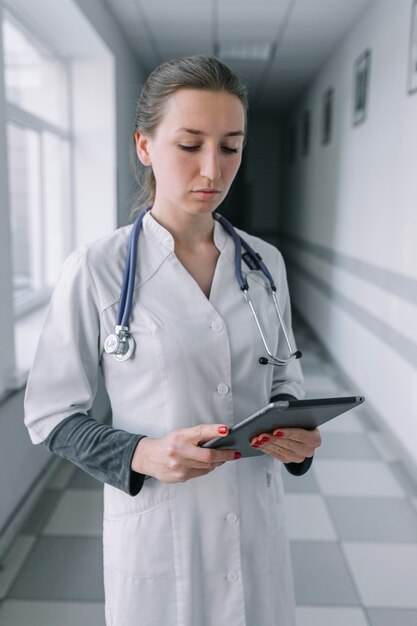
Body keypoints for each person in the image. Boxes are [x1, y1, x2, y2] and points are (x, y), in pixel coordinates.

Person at [24, 55, 321, 626]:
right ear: (144, 146)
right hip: (160, 531)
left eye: (230, 146)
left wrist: (295, 435)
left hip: (254, 523)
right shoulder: (97, 268)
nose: (213, 169)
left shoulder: (266, 265)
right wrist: (142, 453)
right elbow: (49, 414)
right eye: (190, 145)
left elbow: (285, 381)